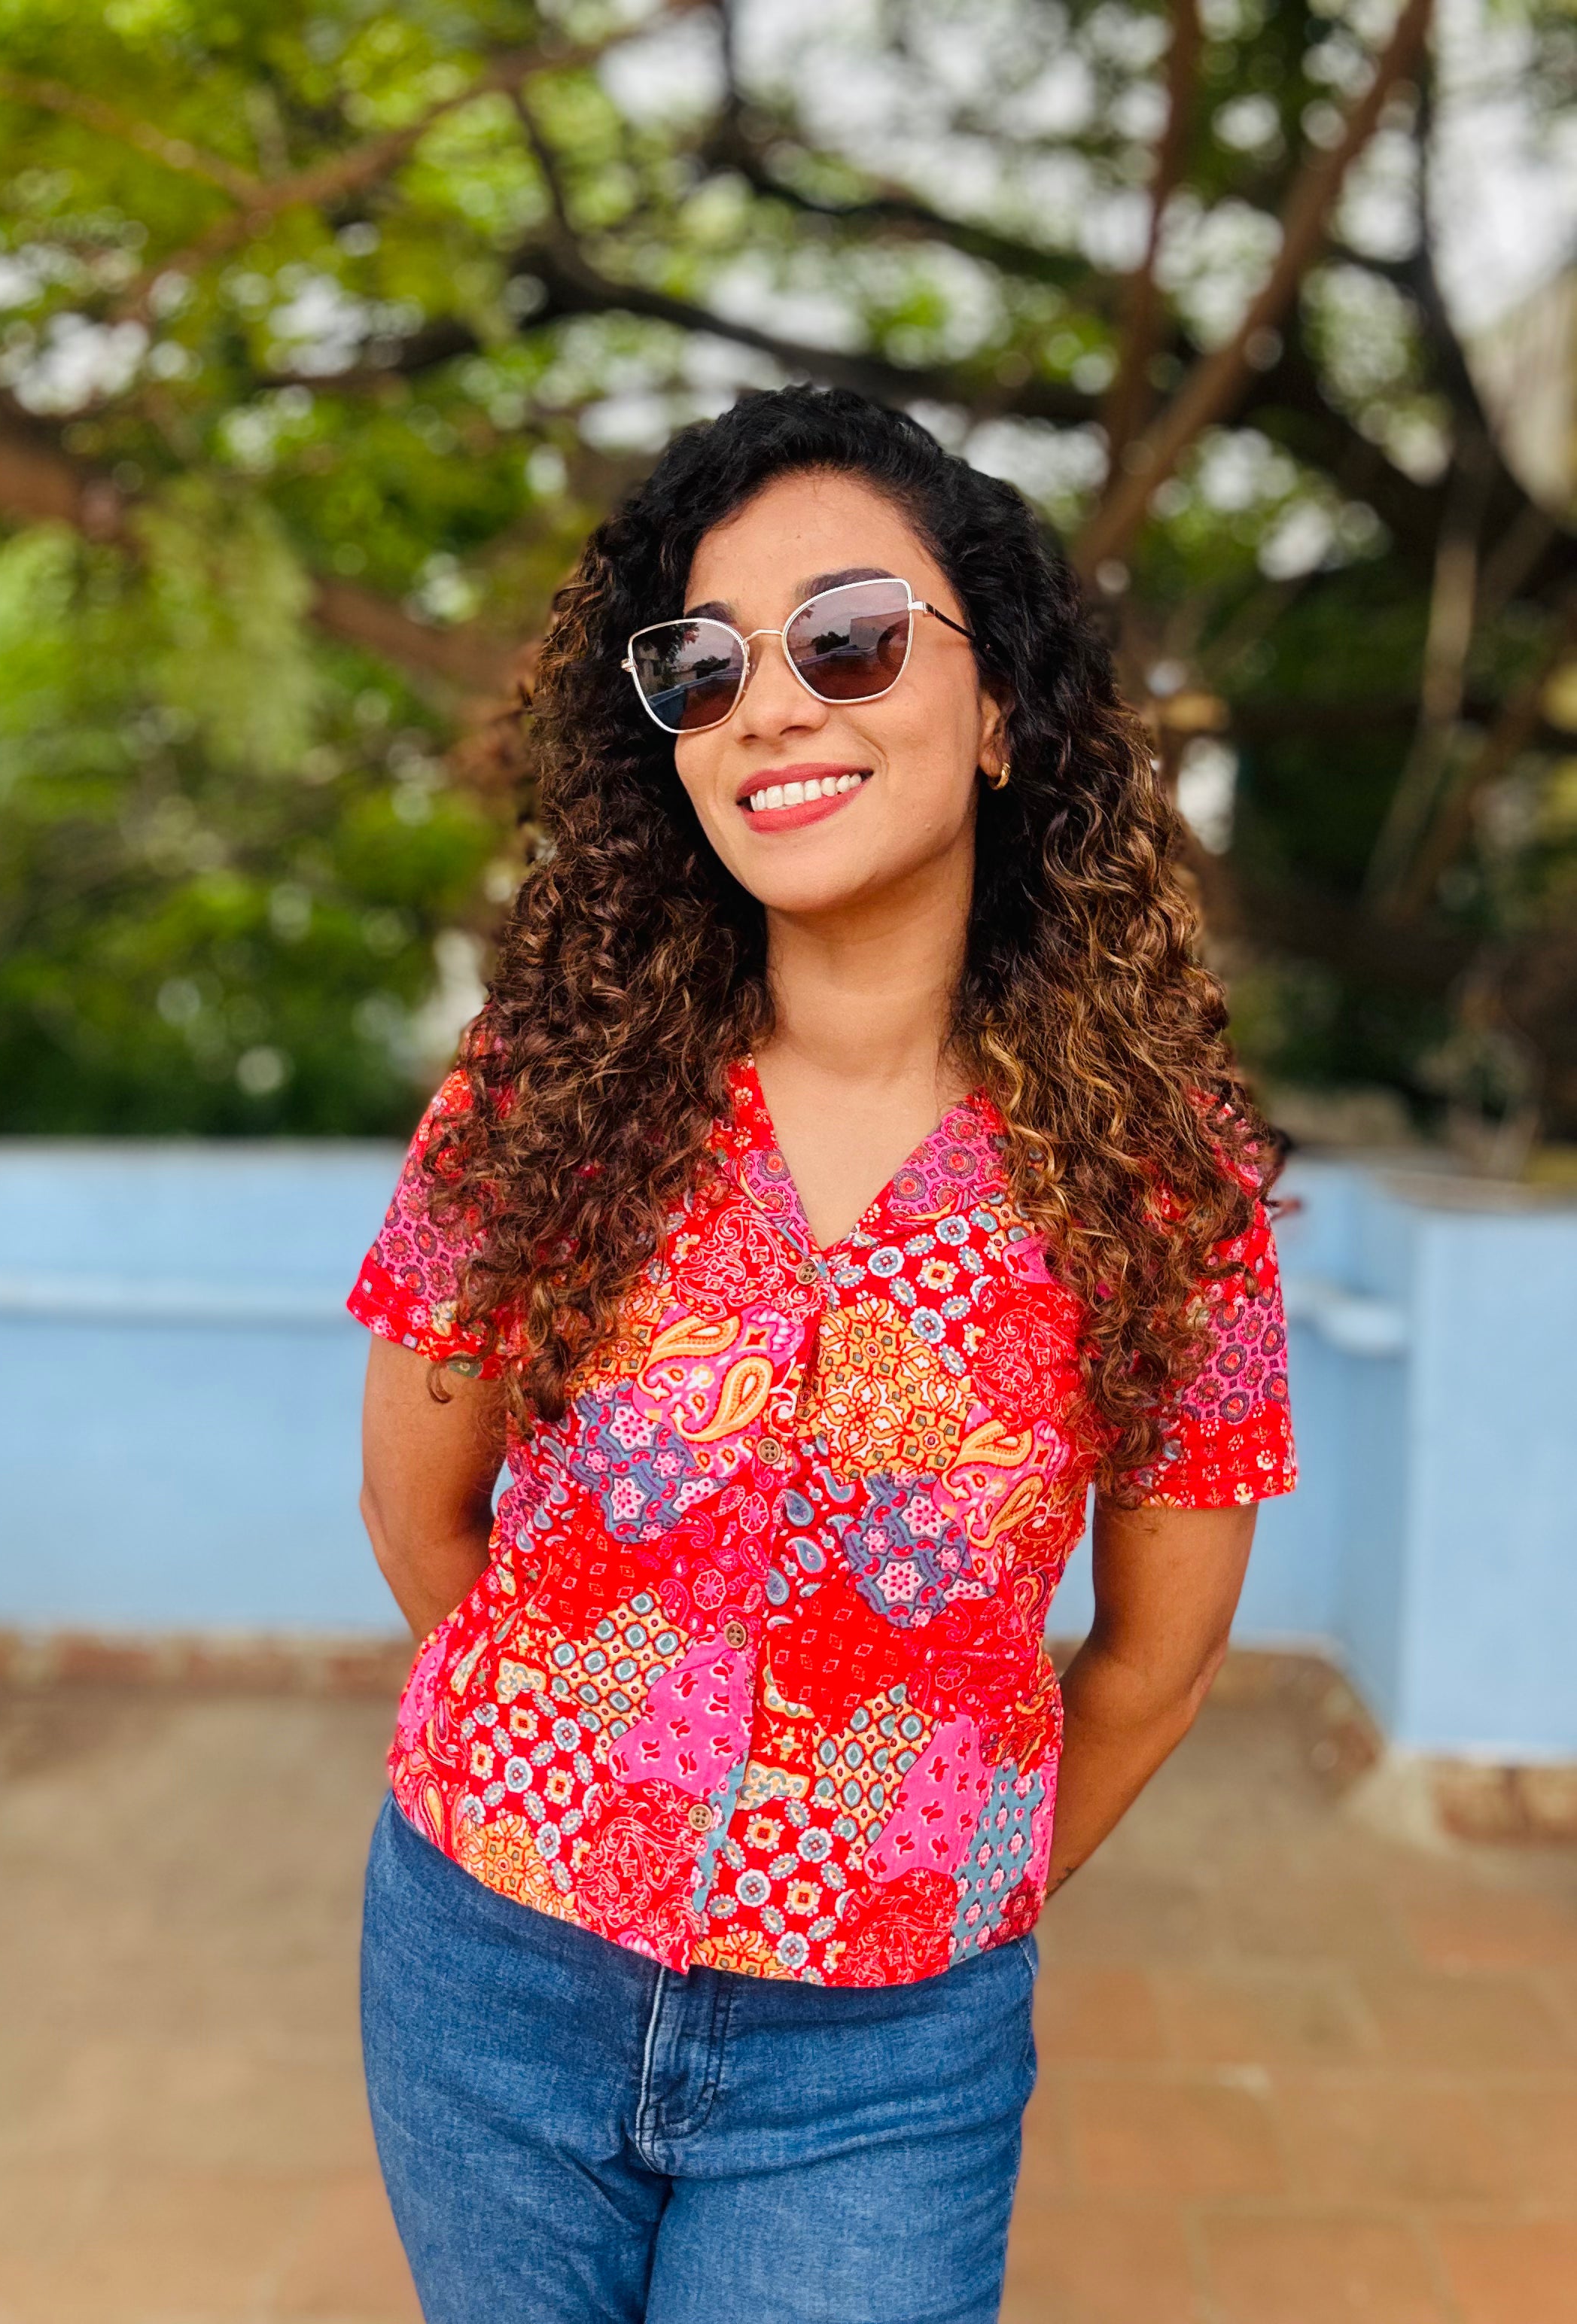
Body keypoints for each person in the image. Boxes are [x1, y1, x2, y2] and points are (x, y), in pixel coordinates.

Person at [348, 385, 1294, 2324]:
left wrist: (932, 1882)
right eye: (702, 668)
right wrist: (577, 1798)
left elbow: (1158, 1660)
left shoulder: (1156, 1182)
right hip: (484, 1978)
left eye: (849, 637)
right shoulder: (543, 1098)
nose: (771, 703)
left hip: (884, 2062)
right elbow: (422, 1516)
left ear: (1004, 706)